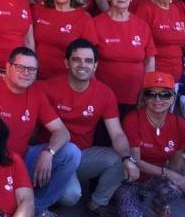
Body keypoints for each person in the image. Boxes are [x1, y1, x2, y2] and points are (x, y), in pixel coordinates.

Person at [0, 48, 81, 217]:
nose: (26, 73)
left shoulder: (36, 93)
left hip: (21, 160)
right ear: (8, 67)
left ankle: (37, 208)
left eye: (32, 69)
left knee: (71, 153)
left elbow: (62, 131)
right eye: (20, 67)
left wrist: (48, 152)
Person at [40, 39, 140, 216]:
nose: (82, 65)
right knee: (71, 196)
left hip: (83, 155)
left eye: (88, 61)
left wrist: (127, 158)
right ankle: (50, 189)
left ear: (95, 66)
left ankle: (96, 204)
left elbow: (116, 133)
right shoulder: (48, 87)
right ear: (66, 62)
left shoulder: (104, 93)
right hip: (55, 155)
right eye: (76, 59)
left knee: (120, 158)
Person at [112, 72, 185, 217]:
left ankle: (158, 204)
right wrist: (168, 173)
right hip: (130, 180)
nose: (158, 99)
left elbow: (176, 163)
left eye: (164, 94)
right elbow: (135, 162)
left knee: (177, 185)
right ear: (144, 97)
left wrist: (175, 179)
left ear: (173, 98)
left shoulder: (180, 125)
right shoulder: (132, 119)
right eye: (151, 94)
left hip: (155, 179)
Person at [93, 0, 156, 111]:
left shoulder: (142, 25)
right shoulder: (96, 23)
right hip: (103, 95)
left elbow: (150, 60)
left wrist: (147, 90)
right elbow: (89, 61)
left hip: (134, 96)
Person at [32, 0, 97, 80]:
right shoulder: (38, 9)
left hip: (68, 80)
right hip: (36, 77)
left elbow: (90, 56)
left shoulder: (84, 18)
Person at [136, 0, 185, 83]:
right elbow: (140, 45)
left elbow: (179, 37)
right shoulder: (145, 9)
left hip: (176, 73)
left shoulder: (176, 9)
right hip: (155, 73)